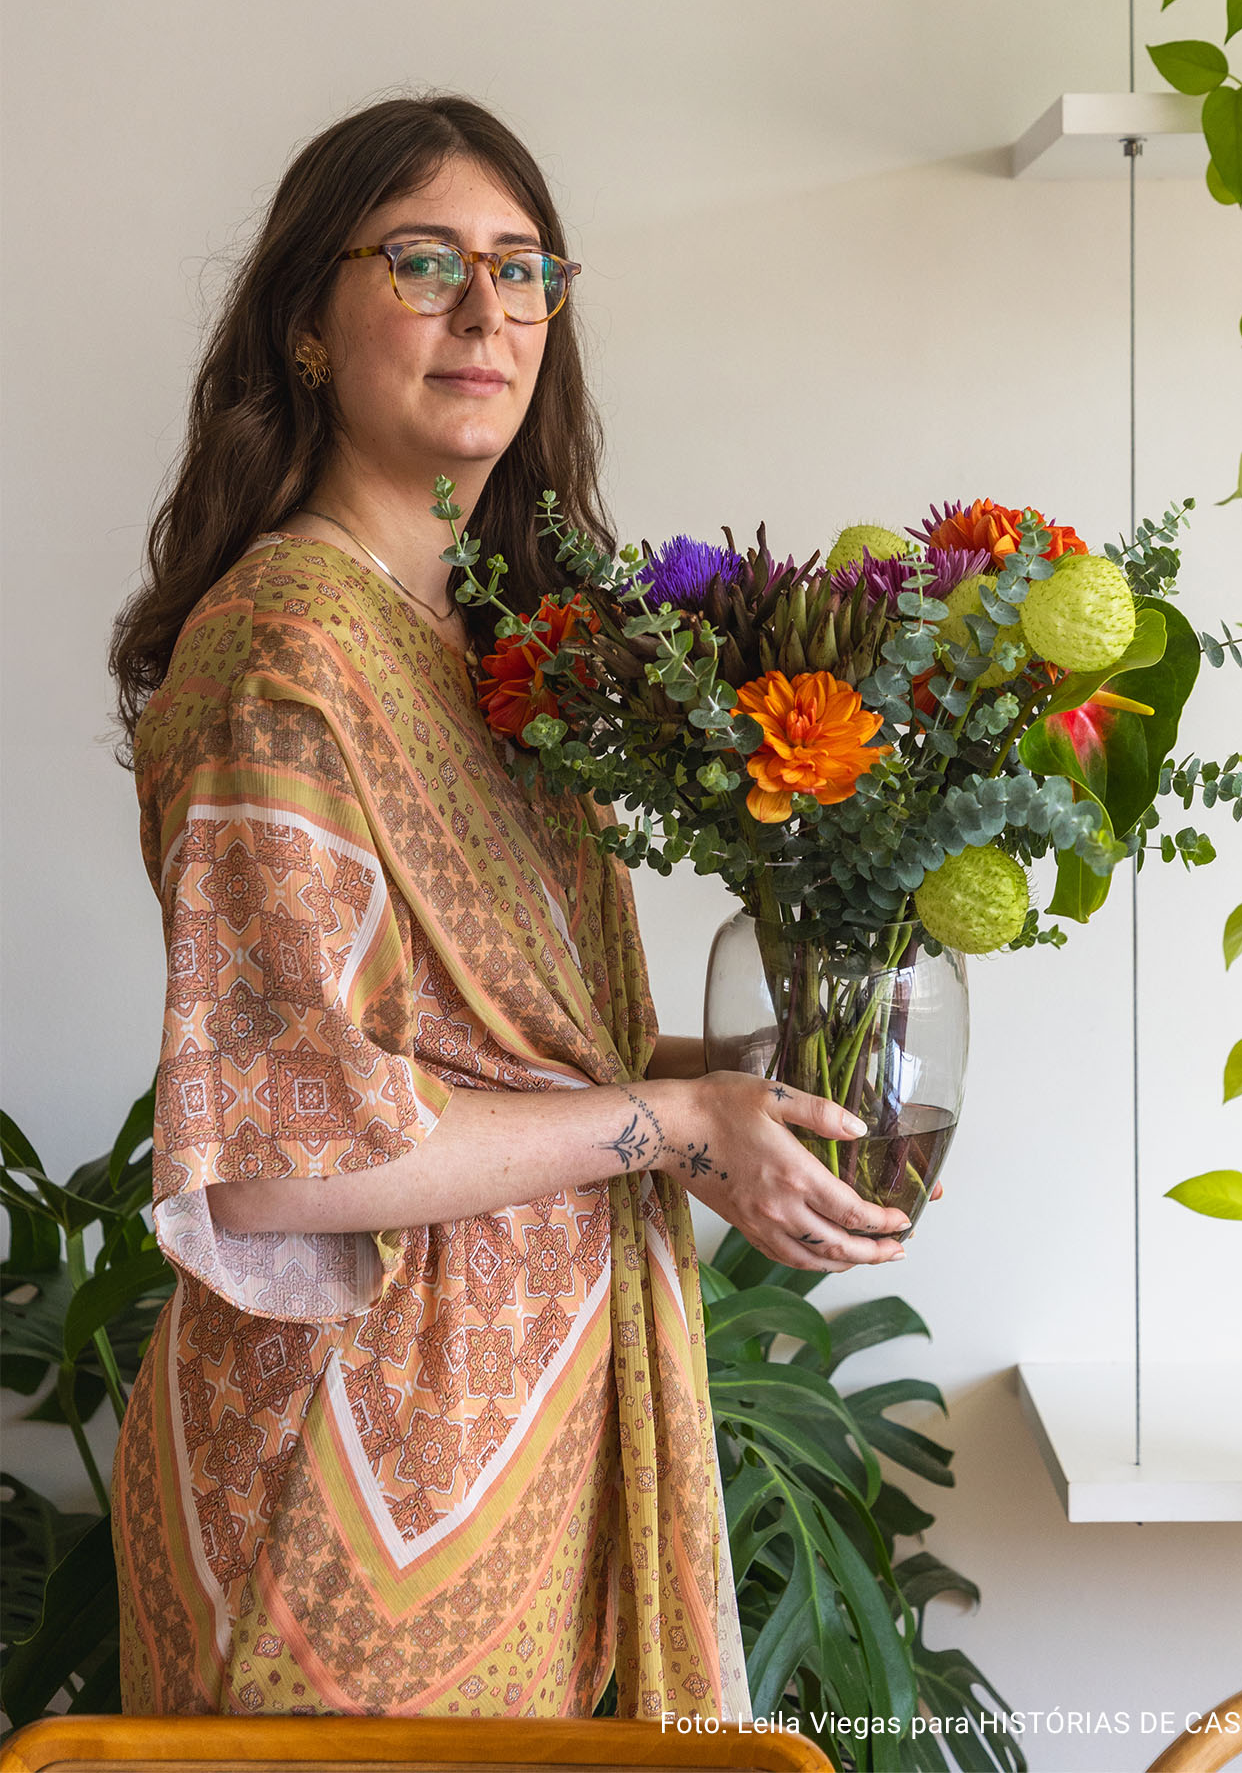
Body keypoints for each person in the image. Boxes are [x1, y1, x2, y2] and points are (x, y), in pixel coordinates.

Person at [106, 91, 912, 1724]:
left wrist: (769, 1085)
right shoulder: (284, 652)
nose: (488, 310)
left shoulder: (500, 653)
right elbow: (273, 1162)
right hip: (355, 1475)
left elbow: (509, 1057)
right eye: (423, 263)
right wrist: (677, 1110)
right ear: (308, 328)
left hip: (523, 1426)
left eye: (524, 267)